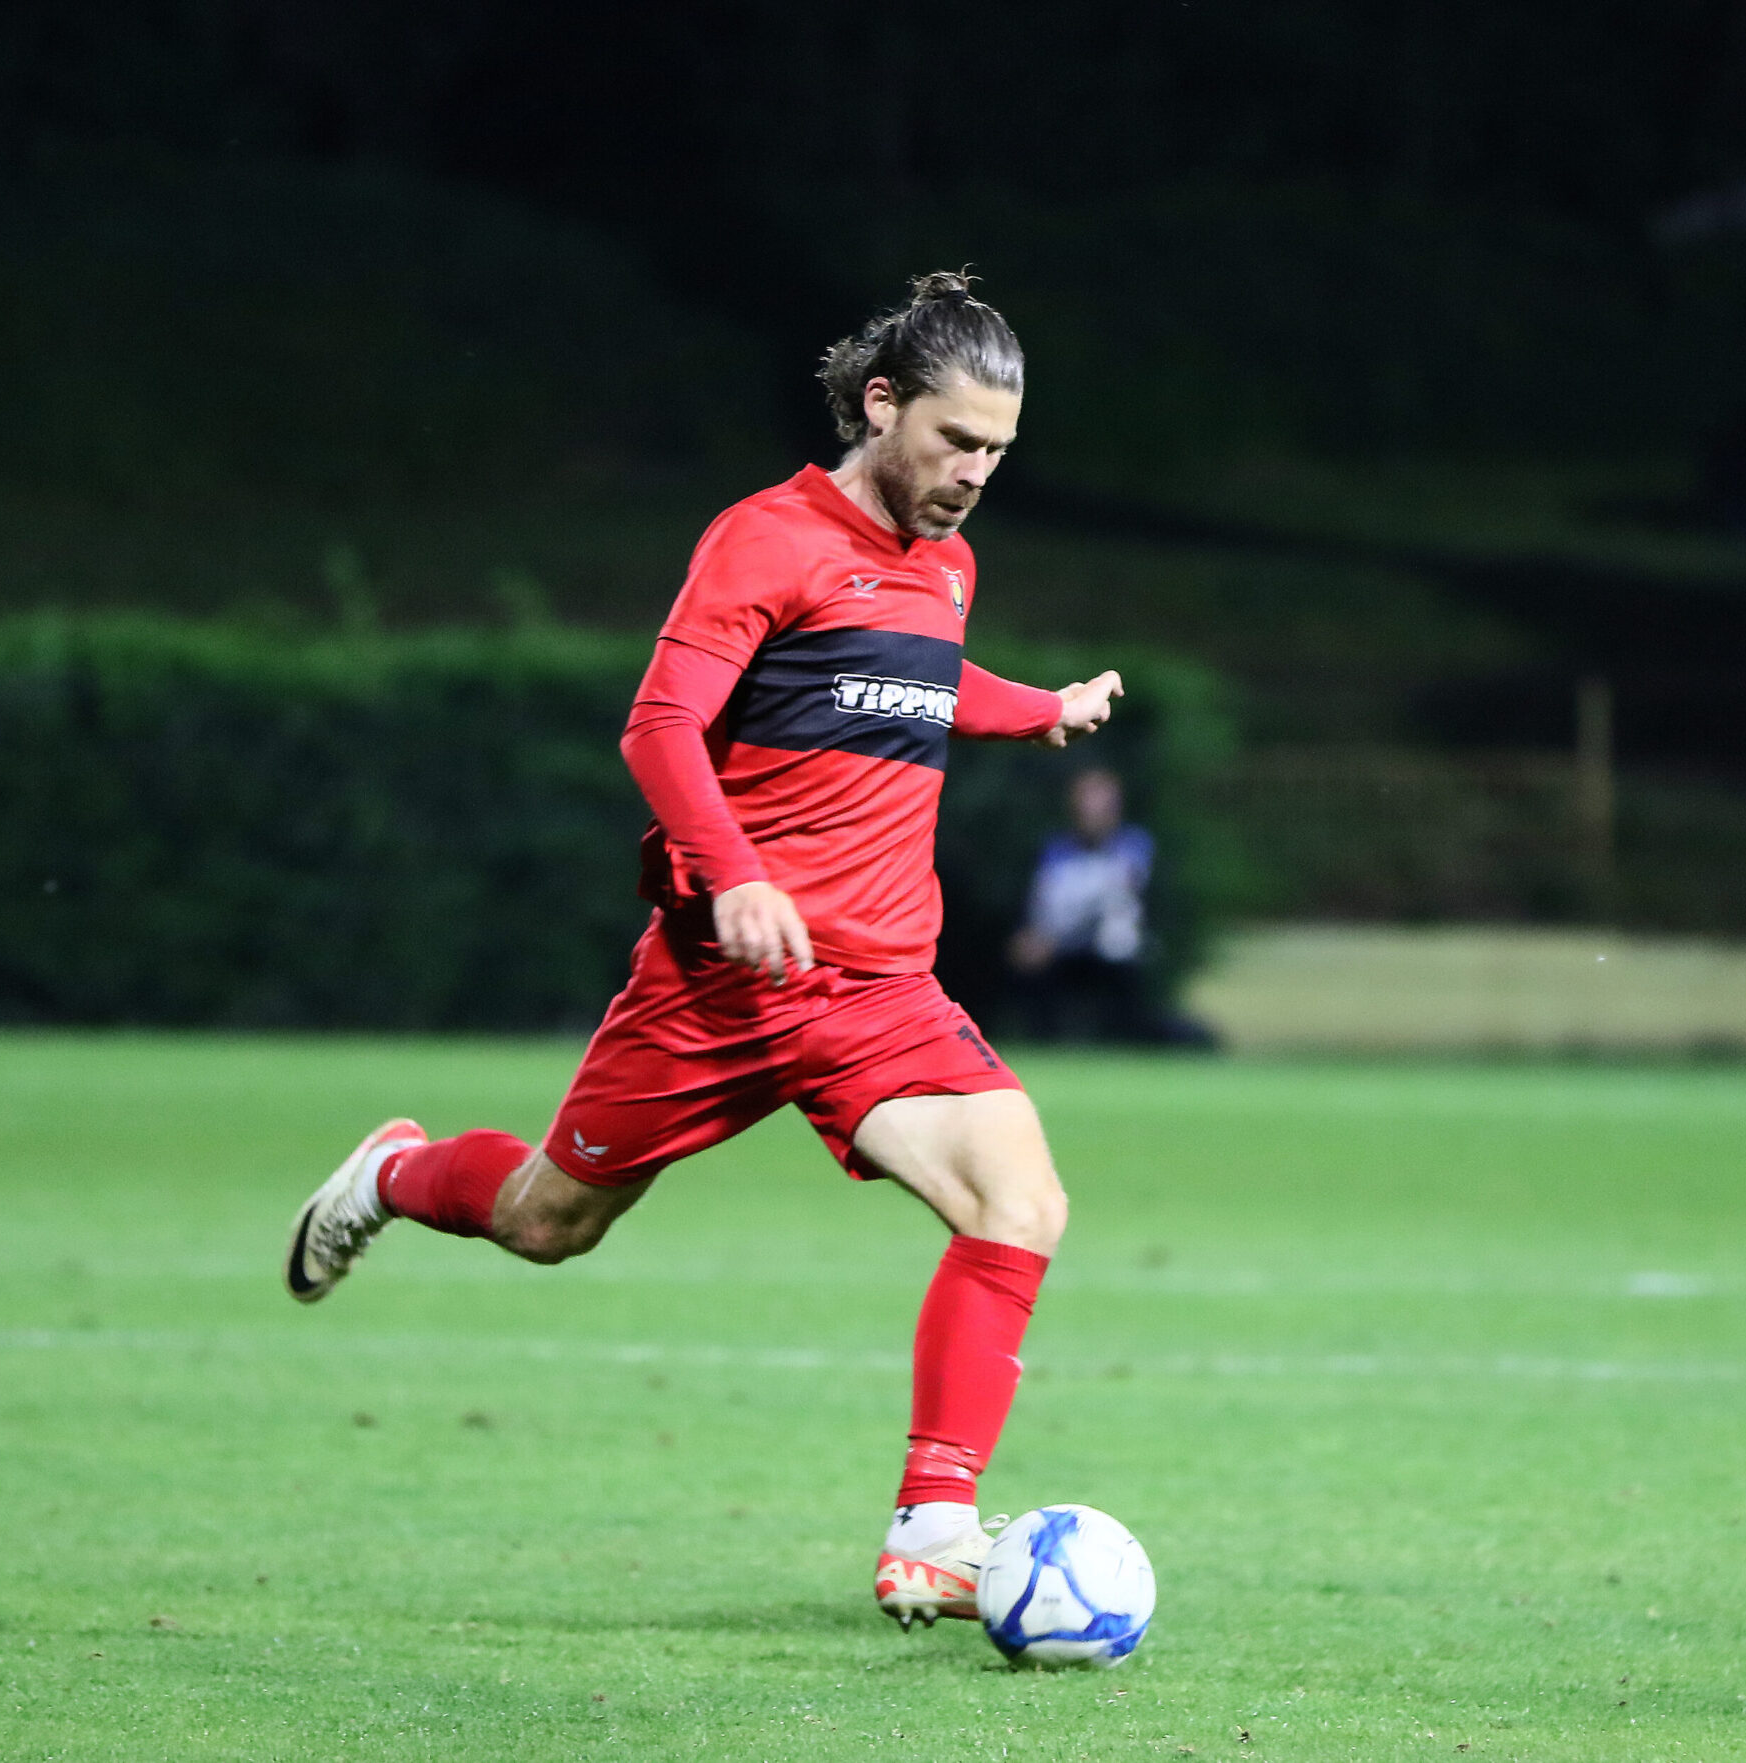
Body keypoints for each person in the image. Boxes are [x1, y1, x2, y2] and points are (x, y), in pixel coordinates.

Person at [282, 271, 1123, 1632]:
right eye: (956, 440)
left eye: (998, 451)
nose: (975, 474)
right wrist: (734, 873)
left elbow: (913, 680)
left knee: (1020, 1201)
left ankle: (934, 1528)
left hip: (878, 985)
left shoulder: (947, 564)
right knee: (547, 1221)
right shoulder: (765, 538)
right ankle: (389, 1173)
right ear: (882, 403)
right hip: (718, 985)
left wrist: (1038, 710)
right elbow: (661, 724)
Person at [1009, 767, 1157, 1042]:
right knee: (1028, 958)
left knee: (1120, 944)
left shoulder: (1133, 845)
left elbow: (1114, 897)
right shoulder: (1056, 850)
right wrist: (1033, 935)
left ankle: (1127, 1040)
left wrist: (1051, 938)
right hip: (1062, 947)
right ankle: (1044, 1043)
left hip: (1111, 946)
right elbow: (1043, 902)